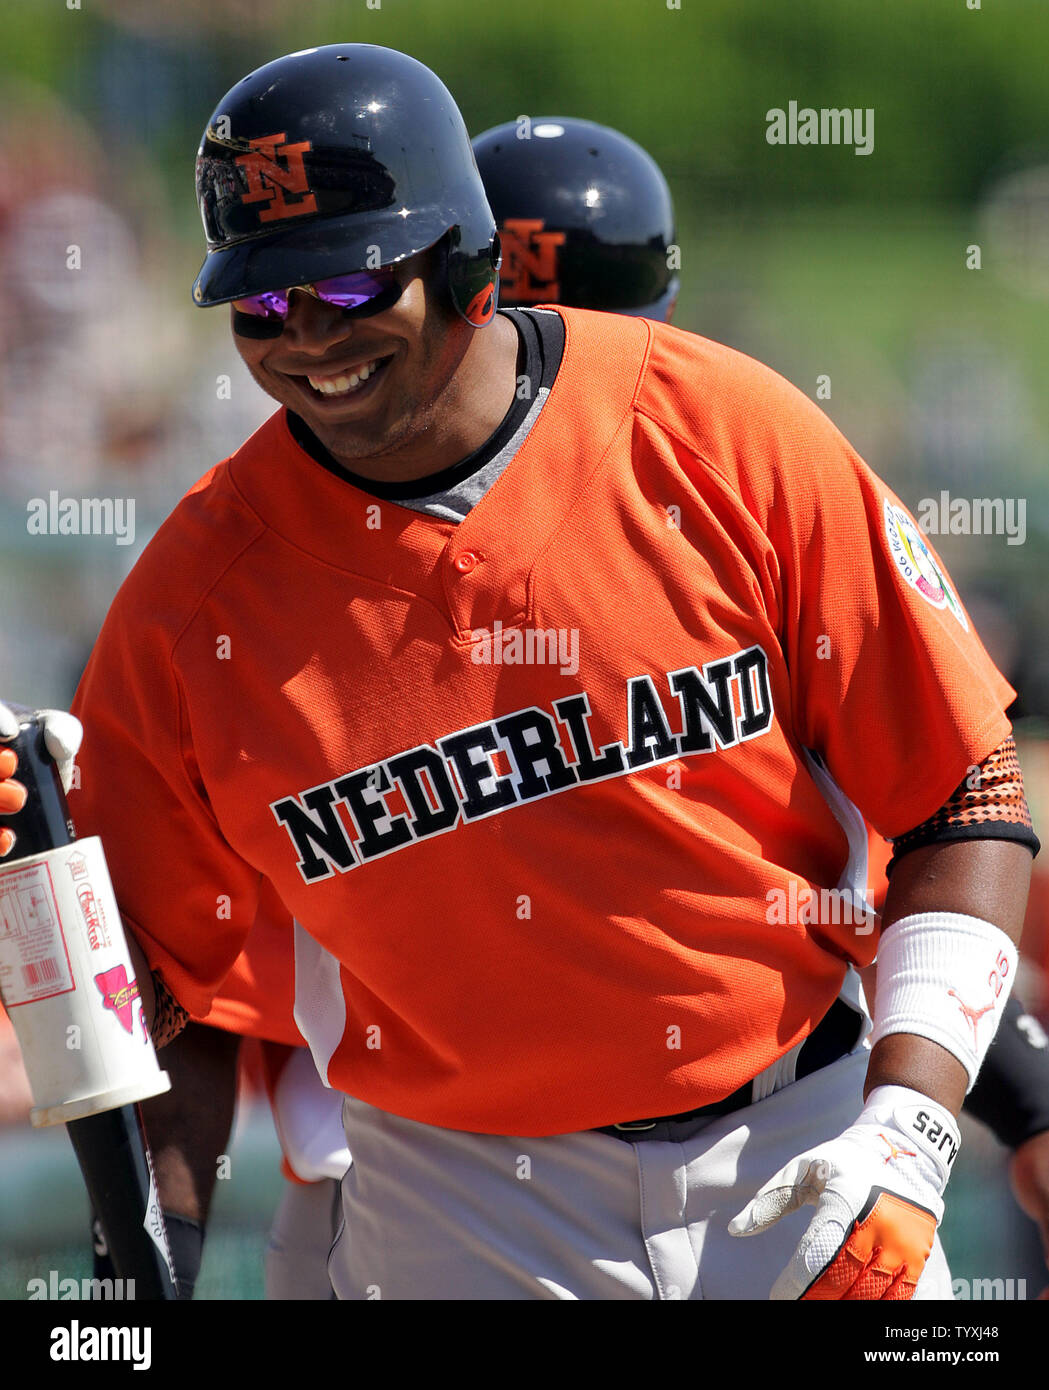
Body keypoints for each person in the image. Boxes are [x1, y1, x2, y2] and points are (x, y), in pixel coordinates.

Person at [68, 45, 1037, 1300]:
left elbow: (962, 794)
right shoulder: (188, 606)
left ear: (467, 261)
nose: (304, 339)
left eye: (350, 287)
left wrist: (911, 1132)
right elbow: (163, 996)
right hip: (456, 1195)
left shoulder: (721, 434)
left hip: (801, 1135)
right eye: (260, 304)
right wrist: (127, 1291)